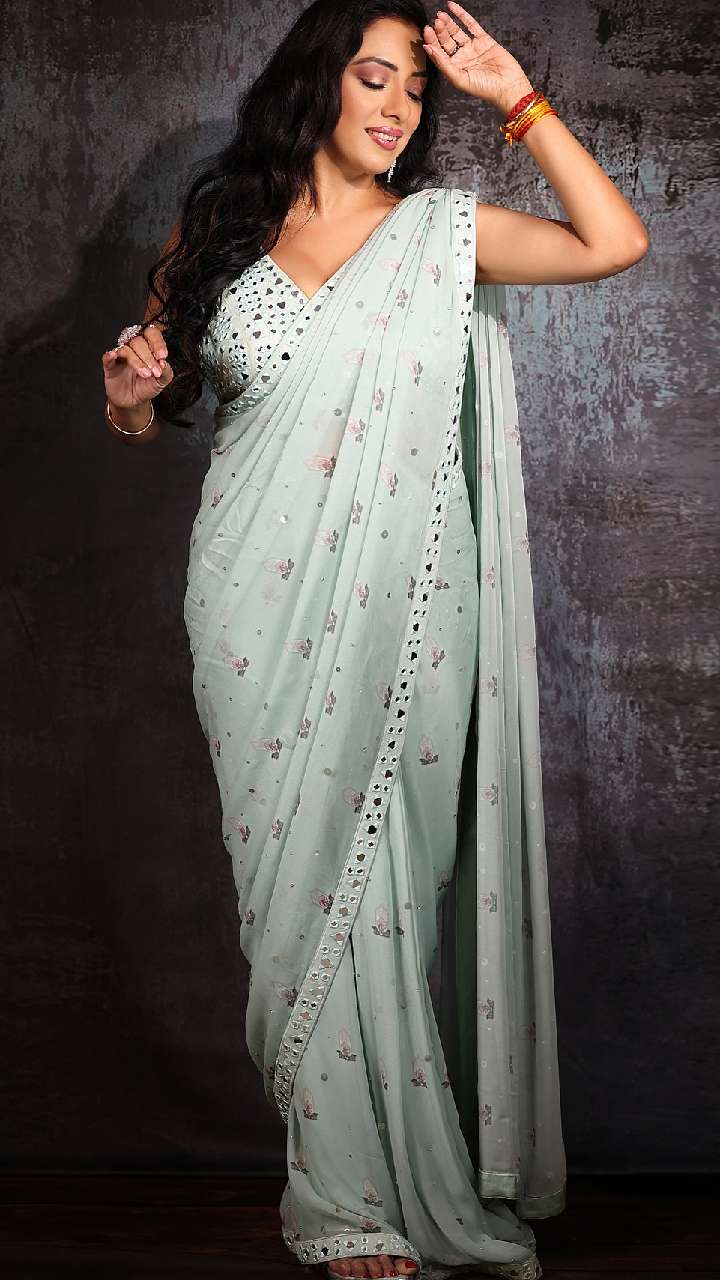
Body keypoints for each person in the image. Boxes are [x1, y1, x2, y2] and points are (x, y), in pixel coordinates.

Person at [100, 2, 648, 1276]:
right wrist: (126, 399)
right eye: (373, 78)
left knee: (387, 876)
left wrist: (515, 96)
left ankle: (368, 1188)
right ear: (316, 84)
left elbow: (613, 241)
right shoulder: (218, 235)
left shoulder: (442, 234)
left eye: (415, 90)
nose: (398, 107)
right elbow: (147, 400)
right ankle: (339, 1186)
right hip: (252, 602)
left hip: (407, 604)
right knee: (290, 894)